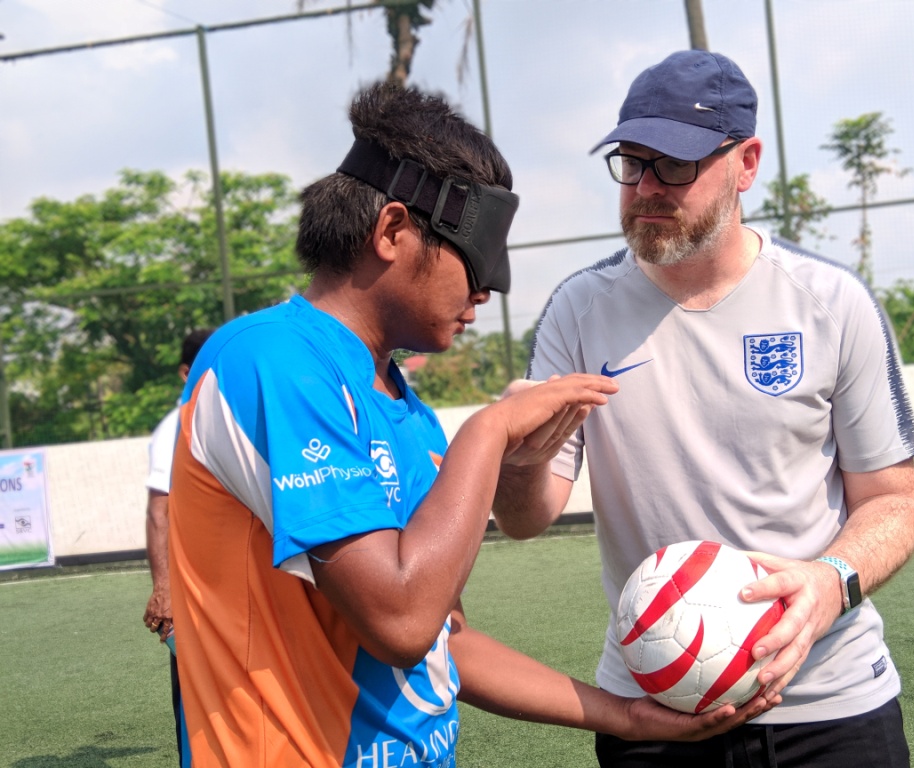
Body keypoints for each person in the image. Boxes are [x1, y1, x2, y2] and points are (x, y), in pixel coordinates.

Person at [166, 81, 776, 768]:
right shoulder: (267, 360)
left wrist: (628, 717)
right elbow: (399, 620)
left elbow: (443, 639)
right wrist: (489, 435)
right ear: (392, 231)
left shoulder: (405, 410)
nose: (485, 293)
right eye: (476, 261)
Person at [491, 50, 914, 768]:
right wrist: (517, 460)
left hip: (829, 706)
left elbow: (894, 500)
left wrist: (830, 580)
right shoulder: (579, 310)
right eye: (632, 163)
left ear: (745, 163)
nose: (646, 188)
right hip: (655, 710)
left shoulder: (829, 302)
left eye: (676, 165)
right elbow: (526, 517)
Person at [142, 326, 214, 768]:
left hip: (234, 590)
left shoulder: (225, 416)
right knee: (196, 702)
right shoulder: (176, 425)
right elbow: (159, 511)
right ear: (185, 372)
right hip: (194, 594)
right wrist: (164, 588)